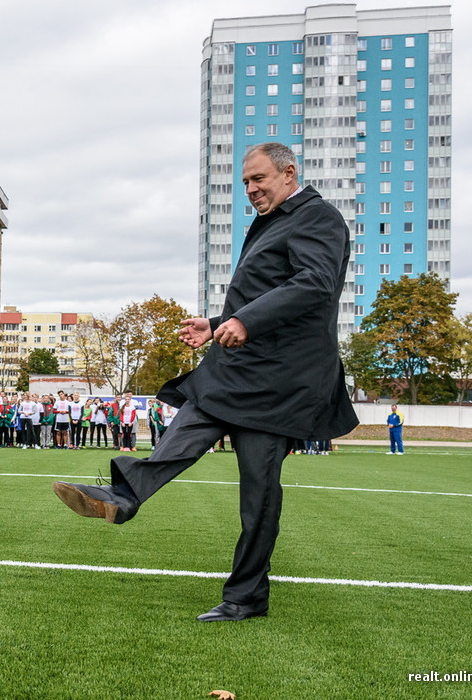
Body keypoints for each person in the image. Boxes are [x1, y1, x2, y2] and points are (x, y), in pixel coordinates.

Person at [53, 143, 358, 622]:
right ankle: (123, 496)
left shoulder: (318, 218)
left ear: (288, 172)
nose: (251, 190)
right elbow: (268, 289)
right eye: (245, 184)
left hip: (278, 383)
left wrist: (248, 321)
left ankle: (246, 597)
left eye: (258, 180)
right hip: (238, 367)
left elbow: (315, 284)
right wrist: (217, 322)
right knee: (185, 429)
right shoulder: (275, 221)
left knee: (258, 492)